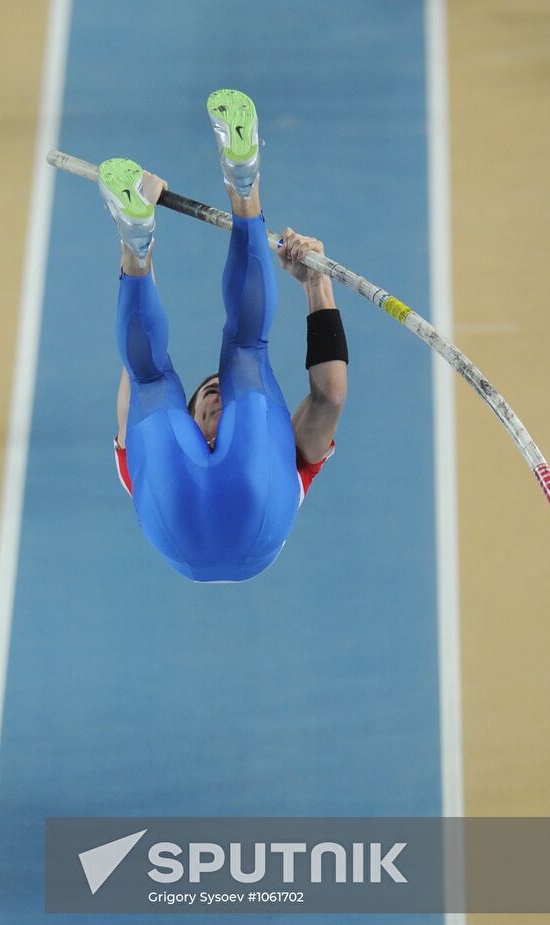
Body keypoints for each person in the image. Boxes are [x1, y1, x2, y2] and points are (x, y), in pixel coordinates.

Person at [100, 89, 348, 582]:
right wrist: (317, 287)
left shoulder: (143, 464)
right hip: (252, 518)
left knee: (152, 376)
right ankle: (240, 183)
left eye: (209, 397)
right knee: (242, 350)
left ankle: (138, 241)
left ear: (188, 421)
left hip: (179, 524)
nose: (216, 396)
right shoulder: (289, 459)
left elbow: (137, 367)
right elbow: (330, 397)